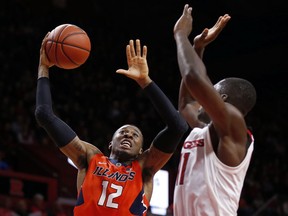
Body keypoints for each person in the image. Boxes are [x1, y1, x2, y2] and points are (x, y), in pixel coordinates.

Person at [35, 34, 187, 216]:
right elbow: (44, 114)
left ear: (141, 150)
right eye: (123, 132)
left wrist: (145, 81)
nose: (129, 135)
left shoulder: (144, 167)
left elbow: (177, 126)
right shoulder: (90, 158)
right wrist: (43, 67)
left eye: (135, 135)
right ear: (110, 142)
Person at [173, 4, 257, 216]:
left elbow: (193, 77)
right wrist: (197, 47)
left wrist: (180, 34)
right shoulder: (206, 130)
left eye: (211, 89)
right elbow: (185, 105)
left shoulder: (233, 123)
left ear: (222, 97)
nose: (202, 97)